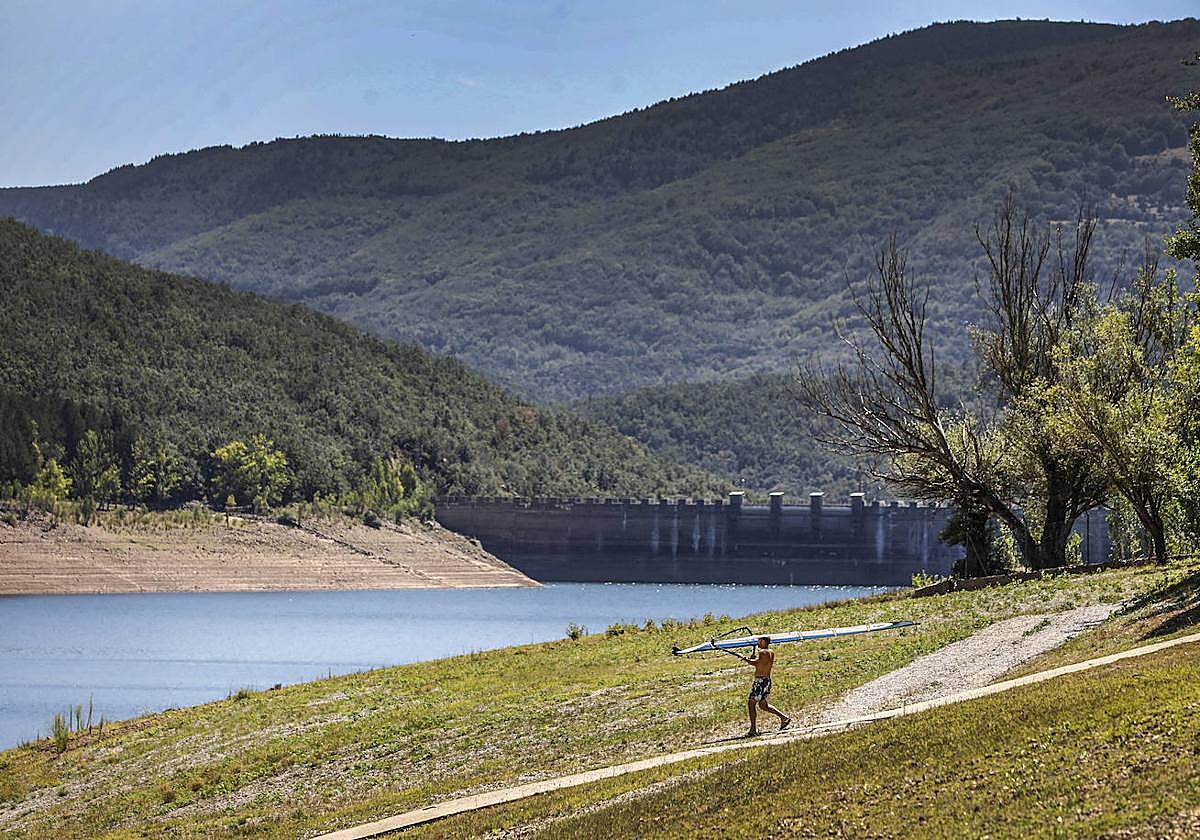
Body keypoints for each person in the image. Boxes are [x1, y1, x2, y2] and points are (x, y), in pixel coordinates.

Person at [731, 636, 791, 736]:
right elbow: (762, 663)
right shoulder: (771, 652)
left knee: (751, 704)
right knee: (763, 705)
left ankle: (753, 730)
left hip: (760, 681)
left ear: (763, 641)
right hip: (767, 680)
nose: (757, 642)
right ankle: (784, 718)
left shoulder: (762, 652)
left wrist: (744, 658)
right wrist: (753, 660)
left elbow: (757, 664)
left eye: (759, 641)